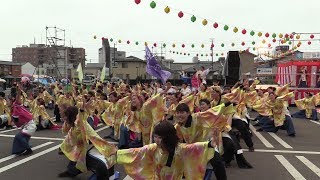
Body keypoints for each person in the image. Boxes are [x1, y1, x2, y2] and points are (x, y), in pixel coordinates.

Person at [116, 120, 216, 179]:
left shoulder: (180, 149)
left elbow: (195, 147)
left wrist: (210, 144)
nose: (157, 140)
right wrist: (117, 153)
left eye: (160, 137)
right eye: (155, 136)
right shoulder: (153, 148)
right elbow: (136, 152)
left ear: (169, 137)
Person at [59, 106, 117, 179]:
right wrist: (62, 148)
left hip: (92, 146)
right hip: (83, 148)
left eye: (65, 116)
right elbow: (67, 135)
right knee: (76, 158)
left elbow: (81, 118)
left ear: (71, 116)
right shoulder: (73, 126)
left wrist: (82, 111)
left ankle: (108, 175)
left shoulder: (81, 123)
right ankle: (71, 171)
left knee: (100, 163)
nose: (63, 119)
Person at [11, 84, 37, 155]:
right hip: (28, 125)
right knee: (22, 137)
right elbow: (17, 123)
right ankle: (19, 149)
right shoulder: (16, 110)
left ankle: (28, 149)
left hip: (30, 125)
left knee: (19, 136)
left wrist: (19, 91)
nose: (20, 100)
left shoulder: (18, 106)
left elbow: (17, 99)